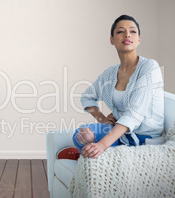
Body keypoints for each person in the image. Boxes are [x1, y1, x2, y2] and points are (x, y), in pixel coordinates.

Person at [57, 14, 164, 160]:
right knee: (82, 135)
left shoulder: (149, 67)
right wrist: (101, 119)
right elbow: (87, 97)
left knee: (97, 146)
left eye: (133, 31)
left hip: (144, 137)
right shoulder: (110, 73)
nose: (127, 34)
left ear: (139, 39)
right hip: (119, 133)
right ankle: (94, 153)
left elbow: (134, 114)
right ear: (112, 40)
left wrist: (101, 144)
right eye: (120, 31)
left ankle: (89, 155)